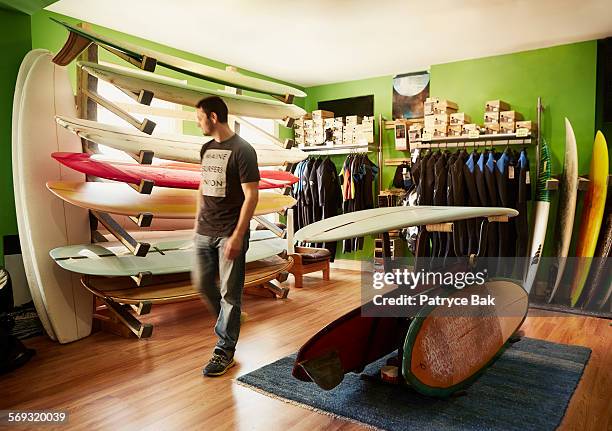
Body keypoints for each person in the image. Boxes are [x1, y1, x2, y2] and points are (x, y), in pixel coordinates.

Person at [192, 96, 260, 376]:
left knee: (230, 295)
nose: (198, 123)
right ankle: (231, 320)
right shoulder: (206, 149)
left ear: (213, 117)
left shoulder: (243, 150)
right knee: (201, 282)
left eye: (199, 118)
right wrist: (196, 222)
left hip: (229, 233)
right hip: (204, 230)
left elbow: (252, 196)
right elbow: (202, 186)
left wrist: (237, 236)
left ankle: (224, 351)